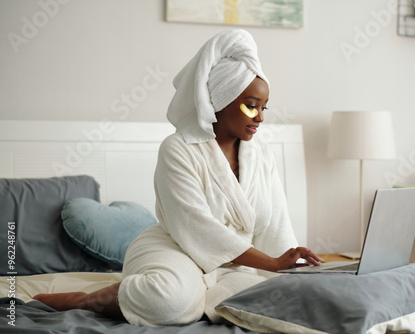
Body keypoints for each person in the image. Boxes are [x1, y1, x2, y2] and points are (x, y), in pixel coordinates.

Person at [34, 29, 321, 326]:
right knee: (169, 302)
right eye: (251, 105)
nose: (260, 116)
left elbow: (276, 226)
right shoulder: (178, 149)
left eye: (263, 107)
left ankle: (203, 293)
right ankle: (87, 299)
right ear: (221, 100)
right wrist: (270, 264)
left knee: (281, 299)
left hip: (236, 264)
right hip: (174, 247)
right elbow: (196, 227)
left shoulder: (261, 154)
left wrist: (293, 269)